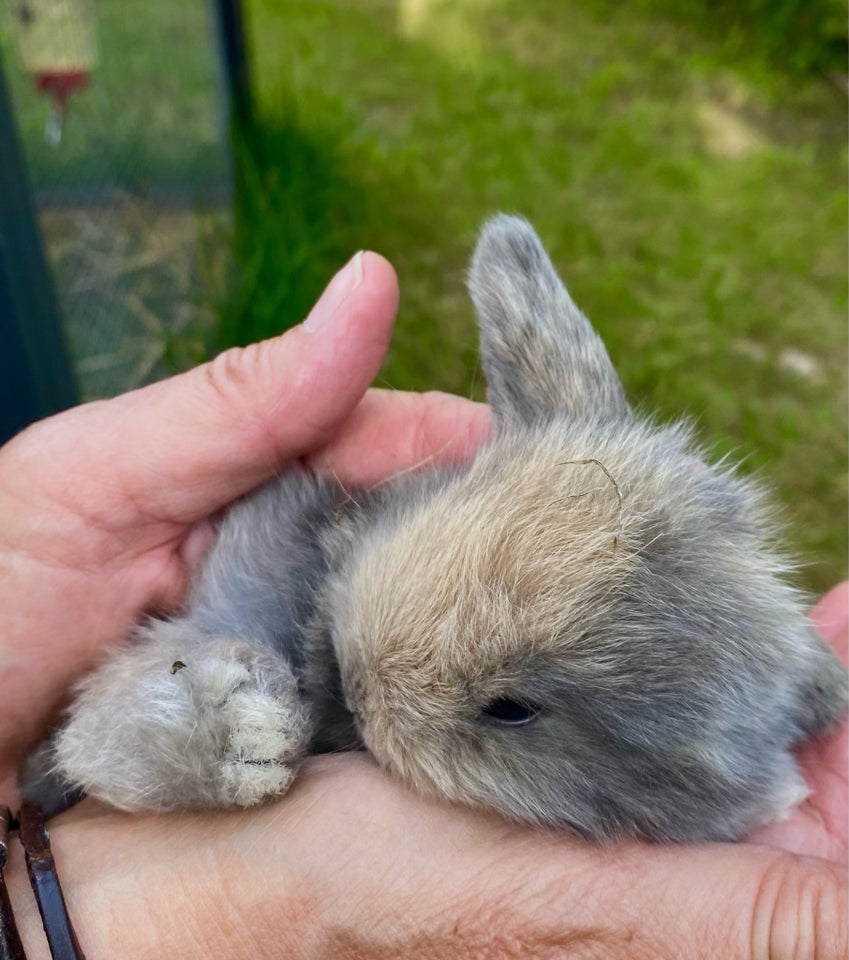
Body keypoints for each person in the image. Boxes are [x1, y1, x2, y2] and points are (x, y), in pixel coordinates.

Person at [0, 253, 845, 959]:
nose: (373, 689)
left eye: (508, 707)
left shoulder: (691, 774)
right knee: (207, 686)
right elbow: (200, 651)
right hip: (213, 661)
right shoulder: (317, 560)